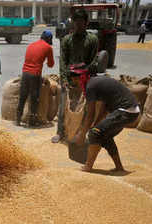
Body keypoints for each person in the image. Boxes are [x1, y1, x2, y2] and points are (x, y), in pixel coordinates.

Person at [73, 73, 140, 173]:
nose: (75, 83)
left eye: (75, 80)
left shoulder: (90, 86)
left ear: (79, 78)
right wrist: (96, 124)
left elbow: (90, 114)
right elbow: (103, 109)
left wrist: (82, 134)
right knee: (104, 135)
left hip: (125, 110)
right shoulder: (95, 83)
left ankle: (88, 166)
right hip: (131, 111)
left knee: (95, 133)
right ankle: (119, 167)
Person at [51, 9, 99, 143]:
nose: (77, 25)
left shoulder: (92, 39)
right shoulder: (66, 40)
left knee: (83, 108)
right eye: (75, 22)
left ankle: (80, 133)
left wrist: (84, 75)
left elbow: (94, 60)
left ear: (86, 23)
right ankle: (60, 132)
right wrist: (65, 79)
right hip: (69, 79)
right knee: (63, 106)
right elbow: (63, 60)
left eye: (81, 22)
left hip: (85, 79)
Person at [16, 30, 55, 127]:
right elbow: (51, 65)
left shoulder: (31, 45)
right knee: (34, 98)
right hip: (35, 74)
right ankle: (32, 122)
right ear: (49, 39)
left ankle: (17, 119)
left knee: (23, 96)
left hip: (25, 73)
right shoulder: (48, 47)